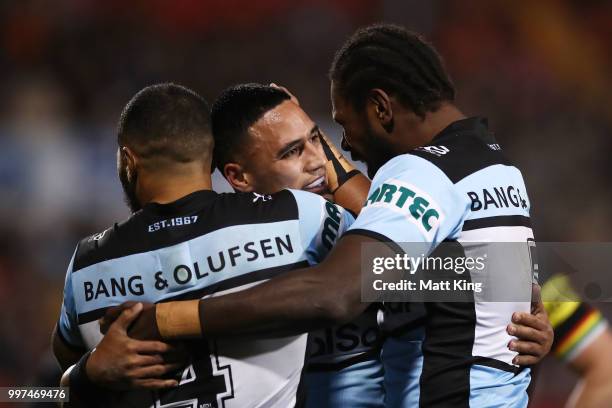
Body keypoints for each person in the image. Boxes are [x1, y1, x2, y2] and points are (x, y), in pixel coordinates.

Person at [100, 23, 553, 406]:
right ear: (238, 176)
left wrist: (166, 319)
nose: (335, 151)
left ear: (380, 108)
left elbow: (339, 290)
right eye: (295, 150)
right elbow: (467, 262)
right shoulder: (493, 165)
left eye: (328, 133)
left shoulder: (389, 198)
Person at [51, 82, 357, 407]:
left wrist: (86, 374)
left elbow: (41, 396)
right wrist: (319, 144)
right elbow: (402, 257)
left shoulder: (85, 267)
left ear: (129, 160)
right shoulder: (297, 217)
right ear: (211, 159)